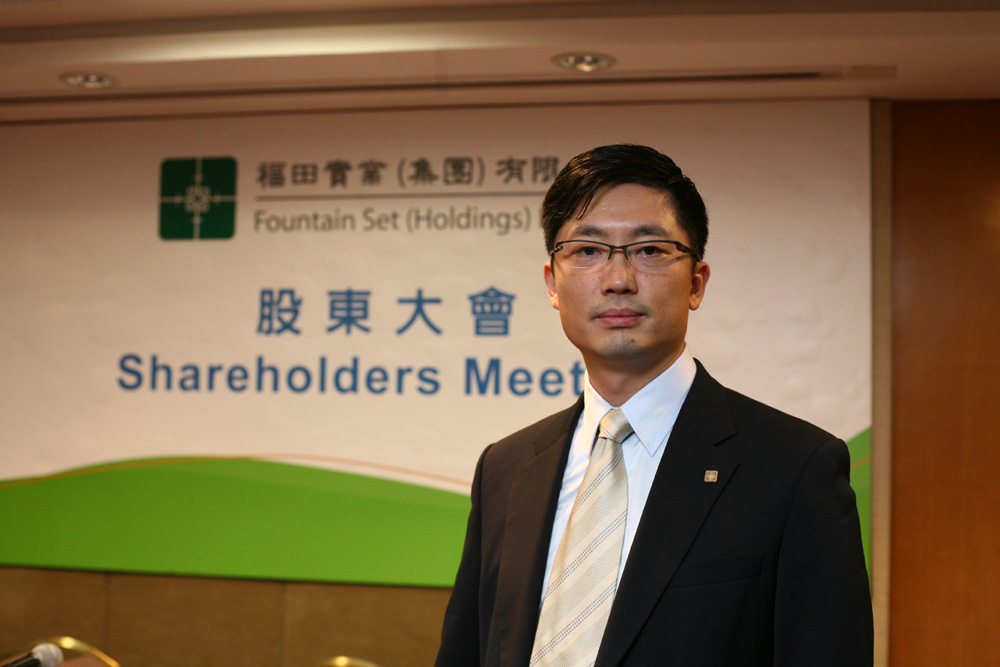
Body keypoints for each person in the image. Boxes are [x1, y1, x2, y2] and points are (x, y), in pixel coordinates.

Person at [435, 144, 873, 666]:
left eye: (649, 251)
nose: (618, 280)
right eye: (587, 250)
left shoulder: (795, 468)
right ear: (553, 283)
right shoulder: (506, 468)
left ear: (696, 283)